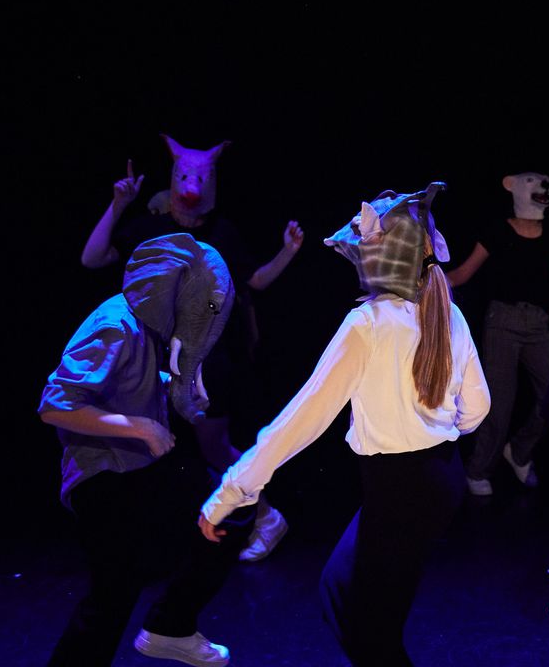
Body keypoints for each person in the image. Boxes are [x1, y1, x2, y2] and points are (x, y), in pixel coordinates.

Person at [199, 182, 490, 666]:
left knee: (369, 630)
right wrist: (436, 434)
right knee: (342, 592)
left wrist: (230, 493)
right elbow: (477, 409)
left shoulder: (368, 325)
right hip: (438, 480)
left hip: (401, 490)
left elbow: (300, 421)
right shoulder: (447, 312)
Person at [81, 136, 303, 561]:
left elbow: (255, 281)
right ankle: (163, 536)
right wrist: (118, 204)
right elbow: (92, 259)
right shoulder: (150, 227)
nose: (191, 185)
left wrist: (287, 252)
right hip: (151, 363)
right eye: (185, 175)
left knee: (213, 447)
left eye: (200, 177)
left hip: (206, 362)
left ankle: (267, 517)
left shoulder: (221, 233)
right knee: (150, 447)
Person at [39, 234, 254, 667]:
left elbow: (128, 381)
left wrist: (175, 388)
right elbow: (55, 405)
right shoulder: (115, 325)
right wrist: (140, 427)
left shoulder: (149, 329)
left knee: (227, 507)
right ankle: (168, 625)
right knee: (111, 597)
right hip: (102, 477)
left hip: (137, 471)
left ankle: (170, 626)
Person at [446, 170, 549, 496]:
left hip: (537, 323)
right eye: (532, 181)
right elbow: (464, 272)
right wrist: (426, 282)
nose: (542, 186)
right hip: (503, 322)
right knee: (499, 404)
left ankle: (520, 451)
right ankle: (478, 470)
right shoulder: (498, 230)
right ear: (513, 187)